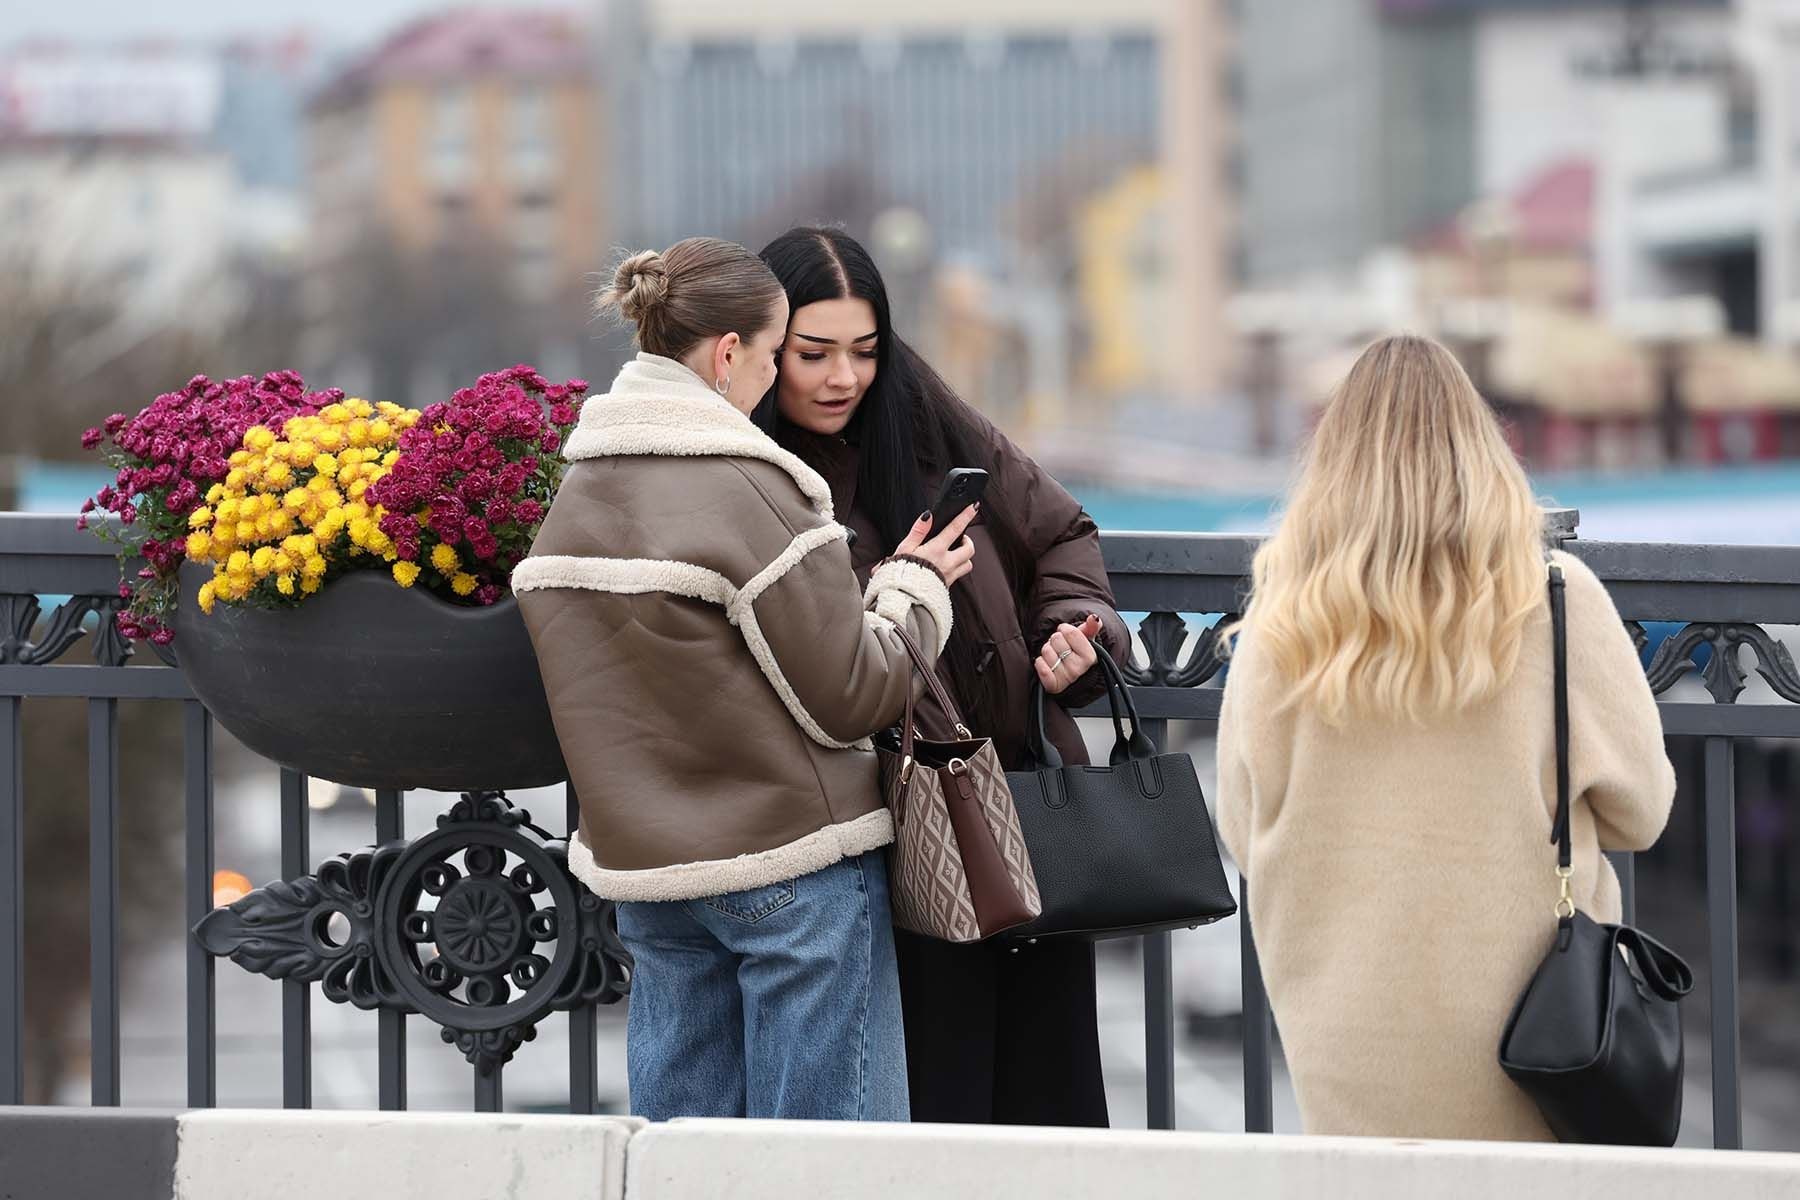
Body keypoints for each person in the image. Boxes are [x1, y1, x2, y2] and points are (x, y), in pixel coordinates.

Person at [515, 236, 979, 1122]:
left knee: (686, 1156)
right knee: (821, 1168)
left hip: (651, 879)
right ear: (729, 355)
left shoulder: (579, 492)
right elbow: (855, 696)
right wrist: (912, 590)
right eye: (775, 356)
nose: (774, 383)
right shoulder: (753, 491)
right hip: (789, 870)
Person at [1214, 334, 1675, 1140]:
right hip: (1536, 1041)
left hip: (1345, 1039)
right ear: (1481, 449)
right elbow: (1645, 810)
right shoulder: (1560, 601)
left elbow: (1242, 832)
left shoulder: (1281, 621)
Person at [756, 226, 1129, 1127]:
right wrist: (904, 588)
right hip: (884, 836)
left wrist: (1075, 637)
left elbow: (1064, 535)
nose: (843, 377)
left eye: (864, 351)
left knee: (1053, 1111)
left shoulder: (931, 422)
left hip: (1022, 809)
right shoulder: (754, 476)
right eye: (813, 354)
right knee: (935, 1109)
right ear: (764, 349)